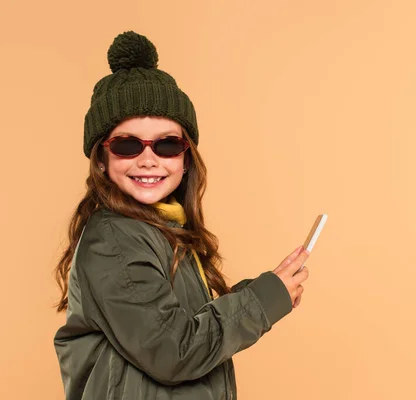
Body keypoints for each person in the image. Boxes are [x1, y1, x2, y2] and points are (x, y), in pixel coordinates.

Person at [53, 31, 310, 400]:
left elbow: (183, 326)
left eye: (167, 144)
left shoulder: (161, 228)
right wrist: (260, 304)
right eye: (127, 145)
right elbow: (173, 351)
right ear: (102, 158)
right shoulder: (115, 238)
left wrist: (265, 292)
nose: (148, 159)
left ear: (186, 158)